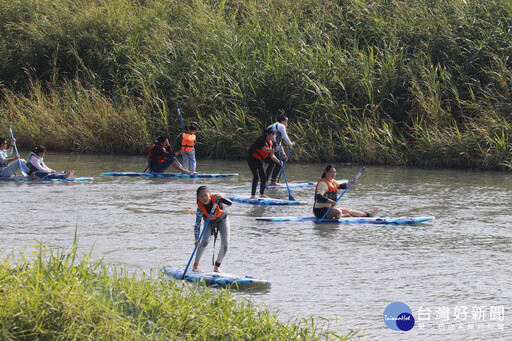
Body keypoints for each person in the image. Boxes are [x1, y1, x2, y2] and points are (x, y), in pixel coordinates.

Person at [313, 164, 379, 219]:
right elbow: (318, 196)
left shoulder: (332, 181)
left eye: (335, 172)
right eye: (331, 172)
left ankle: (369, 214)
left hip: (329, 209)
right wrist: (331, 201)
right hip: (320, 211)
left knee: (348, 210)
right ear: (326, 172)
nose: (333, 174)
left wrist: (350, 183)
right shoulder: (323, 184)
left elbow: (341, 186)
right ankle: (342, 215)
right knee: (338, 211)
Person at [192, 186, 232, 273]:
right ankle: (196, 265)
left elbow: (230, 203)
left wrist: (220, 196)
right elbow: (197, 224)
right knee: (204, 241)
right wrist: (196, 238)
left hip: (223, 220)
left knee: (225, 244)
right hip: (209, 222)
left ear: (209, 195)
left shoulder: (216, 198)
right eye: (201, 196)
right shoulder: (199, 209)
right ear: (198, 197)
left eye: (205, 195)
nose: (204, 198)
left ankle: (217, 267)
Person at [247, 127, 282, 198]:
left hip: (259, 160)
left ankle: (261, 194)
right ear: (268, 134)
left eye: (274, 135)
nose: (274, 137)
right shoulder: (262, 139)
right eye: (273, 135)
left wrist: (279, 162)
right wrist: (273, 150)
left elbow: (272, 156)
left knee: (264, 177)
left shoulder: (271, 142)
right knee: (256, 177)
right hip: (252, 159)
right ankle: (253, 195)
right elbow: (264, 149)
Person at [266, 113, 295, 186]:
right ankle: (273, 182)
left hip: (267, 147)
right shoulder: (281, 126)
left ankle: (265, 181)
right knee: (279, 163)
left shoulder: (272, 125)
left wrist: (284, 154)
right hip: (272, 147)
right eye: (286, 122)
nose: (286, 124)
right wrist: (291, 144)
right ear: (283, 121)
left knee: (271, 164)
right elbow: (285, 137)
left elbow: (279, 143)